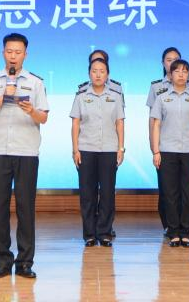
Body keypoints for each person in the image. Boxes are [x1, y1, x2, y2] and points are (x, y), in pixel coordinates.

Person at [0, 32, 49, 280]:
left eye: (18, 52)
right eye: (9, 51)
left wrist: (31, 110)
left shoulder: (36, 82)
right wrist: (3, 98)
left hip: (26, 151)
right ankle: (2, 261)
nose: (13, 56)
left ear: (25, 54)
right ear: (3, 53)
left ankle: (25, 262)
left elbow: (43, 117)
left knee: (26, 207)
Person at [149, 59, 189, 247]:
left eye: (185, 71)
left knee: (188, 192)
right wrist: (156, 151)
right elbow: (156, 125)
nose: (181, 74)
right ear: (170, 75)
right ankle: (173, 231)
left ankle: (186, 232)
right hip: (167, 151)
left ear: (188, 75)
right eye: (177, 71)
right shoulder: (162, 98)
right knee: (170, 193)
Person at [70, 57, 125, 247]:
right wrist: (75, 149)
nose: (98, 75)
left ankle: (104, 232)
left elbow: (119, 123)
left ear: (107, 74)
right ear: (89, 74)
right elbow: (75, 123)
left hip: (109, 149)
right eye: (94, 71)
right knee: (87, 194)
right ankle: (89, 234)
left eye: (102, 71)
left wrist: (121, 148)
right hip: (86, 149)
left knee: (108, 193)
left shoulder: (116, 96)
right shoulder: (81, 96)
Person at [146, 47, 189, 237]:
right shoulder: (156, 87)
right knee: (167, 187)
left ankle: (183, 226)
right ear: (163, 63)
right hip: (164, 145)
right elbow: (152, 119)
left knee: (185, 188)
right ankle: (169, 225)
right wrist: (154, 145)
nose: (172, 63)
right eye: (168, 59)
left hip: (186, 145)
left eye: (176, 59)